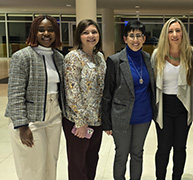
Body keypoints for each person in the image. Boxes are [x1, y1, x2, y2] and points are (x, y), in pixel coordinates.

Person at [5, 15, 65, 180]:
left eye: (51, 30)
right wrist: (22, 125)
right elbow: (15, 93)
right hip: (31, 119)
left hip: (54, 117)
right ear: (34, 32)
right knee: (33, 167)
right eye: (41, 30)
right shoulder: (23, 56)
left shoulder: (59, 57)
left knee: (50, 163)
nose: (46, 33)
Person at [101, 20, 157, 180]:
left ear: (144, 38)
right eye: (131, 36)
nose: (135, 40)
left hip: (143, 117)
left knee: (137, 153)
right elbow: (107, 94)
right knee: (121, 155)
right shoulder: (115, 61)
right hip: (121, 118)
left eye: (139, 35)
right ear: (125, 39)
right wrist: (107, 122)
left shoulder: (147, 58)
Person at [150, 17, 193, 180]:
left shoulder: (191, 53)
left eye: (178, 31)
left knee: (180, 147)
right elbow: (151, 83)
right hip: (164, 105)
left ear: (183, 33)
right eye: (170, 31)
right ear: (166, 34)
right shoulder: (158, 54)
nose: (174, 34)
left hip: (183, 106)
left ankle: (176, 177)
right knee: (163, 148)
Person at [63, 19, 106, 180]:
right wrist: (80, 121)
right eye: (85, 32)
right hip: (78, 122)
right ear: (79, 36)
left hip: (97, 119)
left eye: (94, 32)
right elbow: (72, 91)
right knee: (77, 164)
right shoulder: (73, 57)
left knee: (92, 160)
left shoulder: (99, 57)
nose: (91, 36)